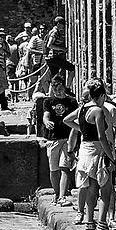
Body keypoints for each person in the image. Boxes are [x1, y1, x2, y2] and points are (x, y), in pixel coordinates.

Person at [73, 83, 116, 230]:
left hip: (85, 149)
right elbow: (102, 137)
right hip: (98, 151)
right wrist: (111, 157)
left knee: (92, 188)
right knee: (106, 191)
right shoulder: (98, 111)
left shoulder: (82, 108)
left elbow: (67, 120)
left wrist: (83, 130)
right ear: (100, 96)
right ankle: (102, 224)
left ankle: (89, 224)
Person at [30, 69, 78, 198]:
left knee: (65, 167)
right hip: (53, 139)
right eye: (56, 90)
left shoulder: (72, 102)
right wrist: (46, 122)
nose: (59, 93)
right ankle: (57, 194)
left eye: (61, 90)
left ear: (64, 87)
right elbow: (46, 116)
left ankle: (62, 196)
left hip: (67, 138)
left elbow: (75, 119)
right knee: (54, 169)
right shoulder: (48, 102)